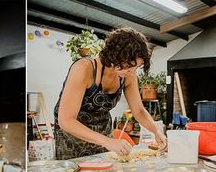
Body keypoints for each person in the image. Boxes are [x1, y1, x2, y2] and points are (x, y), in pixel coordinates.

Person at [53, 27, 167, 160]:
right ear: (115, 55)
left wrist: (156, 131)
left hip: (103, 132)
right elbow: (66, 120)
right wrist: (107, 141)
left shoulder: (128, 75)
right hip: (73, 136)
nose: (132, 72)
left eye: (137, 67)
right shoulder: (84, 68)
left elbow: (139, 110)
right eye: (129, 65)